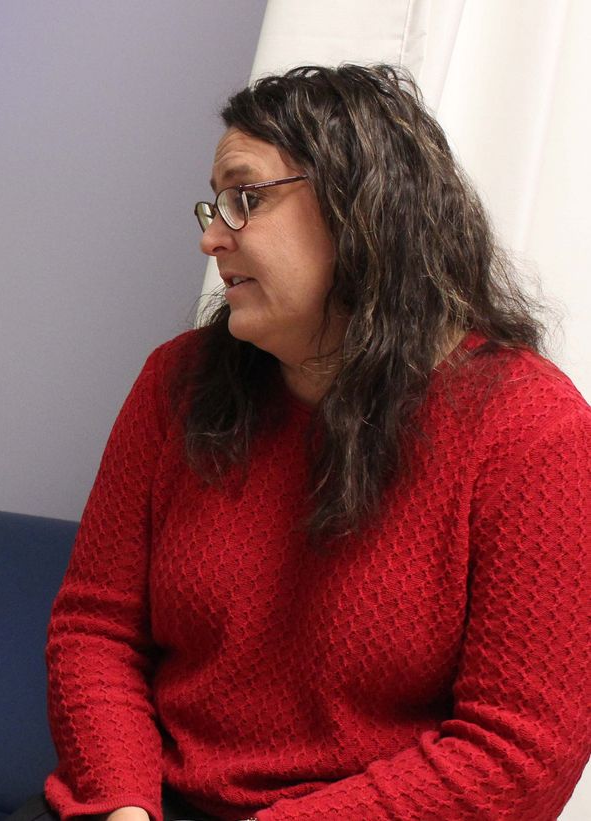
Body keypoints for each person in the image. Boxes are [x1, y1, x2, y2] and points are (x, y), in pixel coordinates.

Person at [35, 65, 591, 820]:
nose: (210, 236)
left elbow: (521, 750)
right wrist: (122, 805)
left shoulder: (532, 430)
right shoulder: (176, 381)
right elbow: (95, 631)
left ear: (361, 209)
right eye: (214, 202)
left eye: (245, 198)